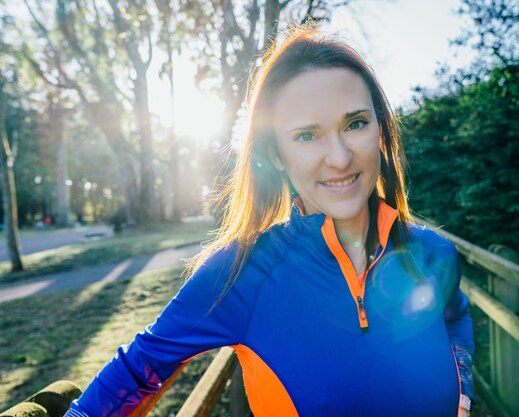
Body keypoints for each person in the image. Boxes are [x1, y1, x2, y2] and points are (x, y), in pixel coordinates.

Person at [65, 26, 475, 417]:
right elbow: (139, 369)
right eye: (306, 135)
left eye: (355, 124)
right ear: (276, 155)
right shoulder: (242, 274)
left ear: (381, 130)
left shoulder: (435, 254)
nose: (339, 157)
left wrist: (463, 385)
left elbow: (455, 314)